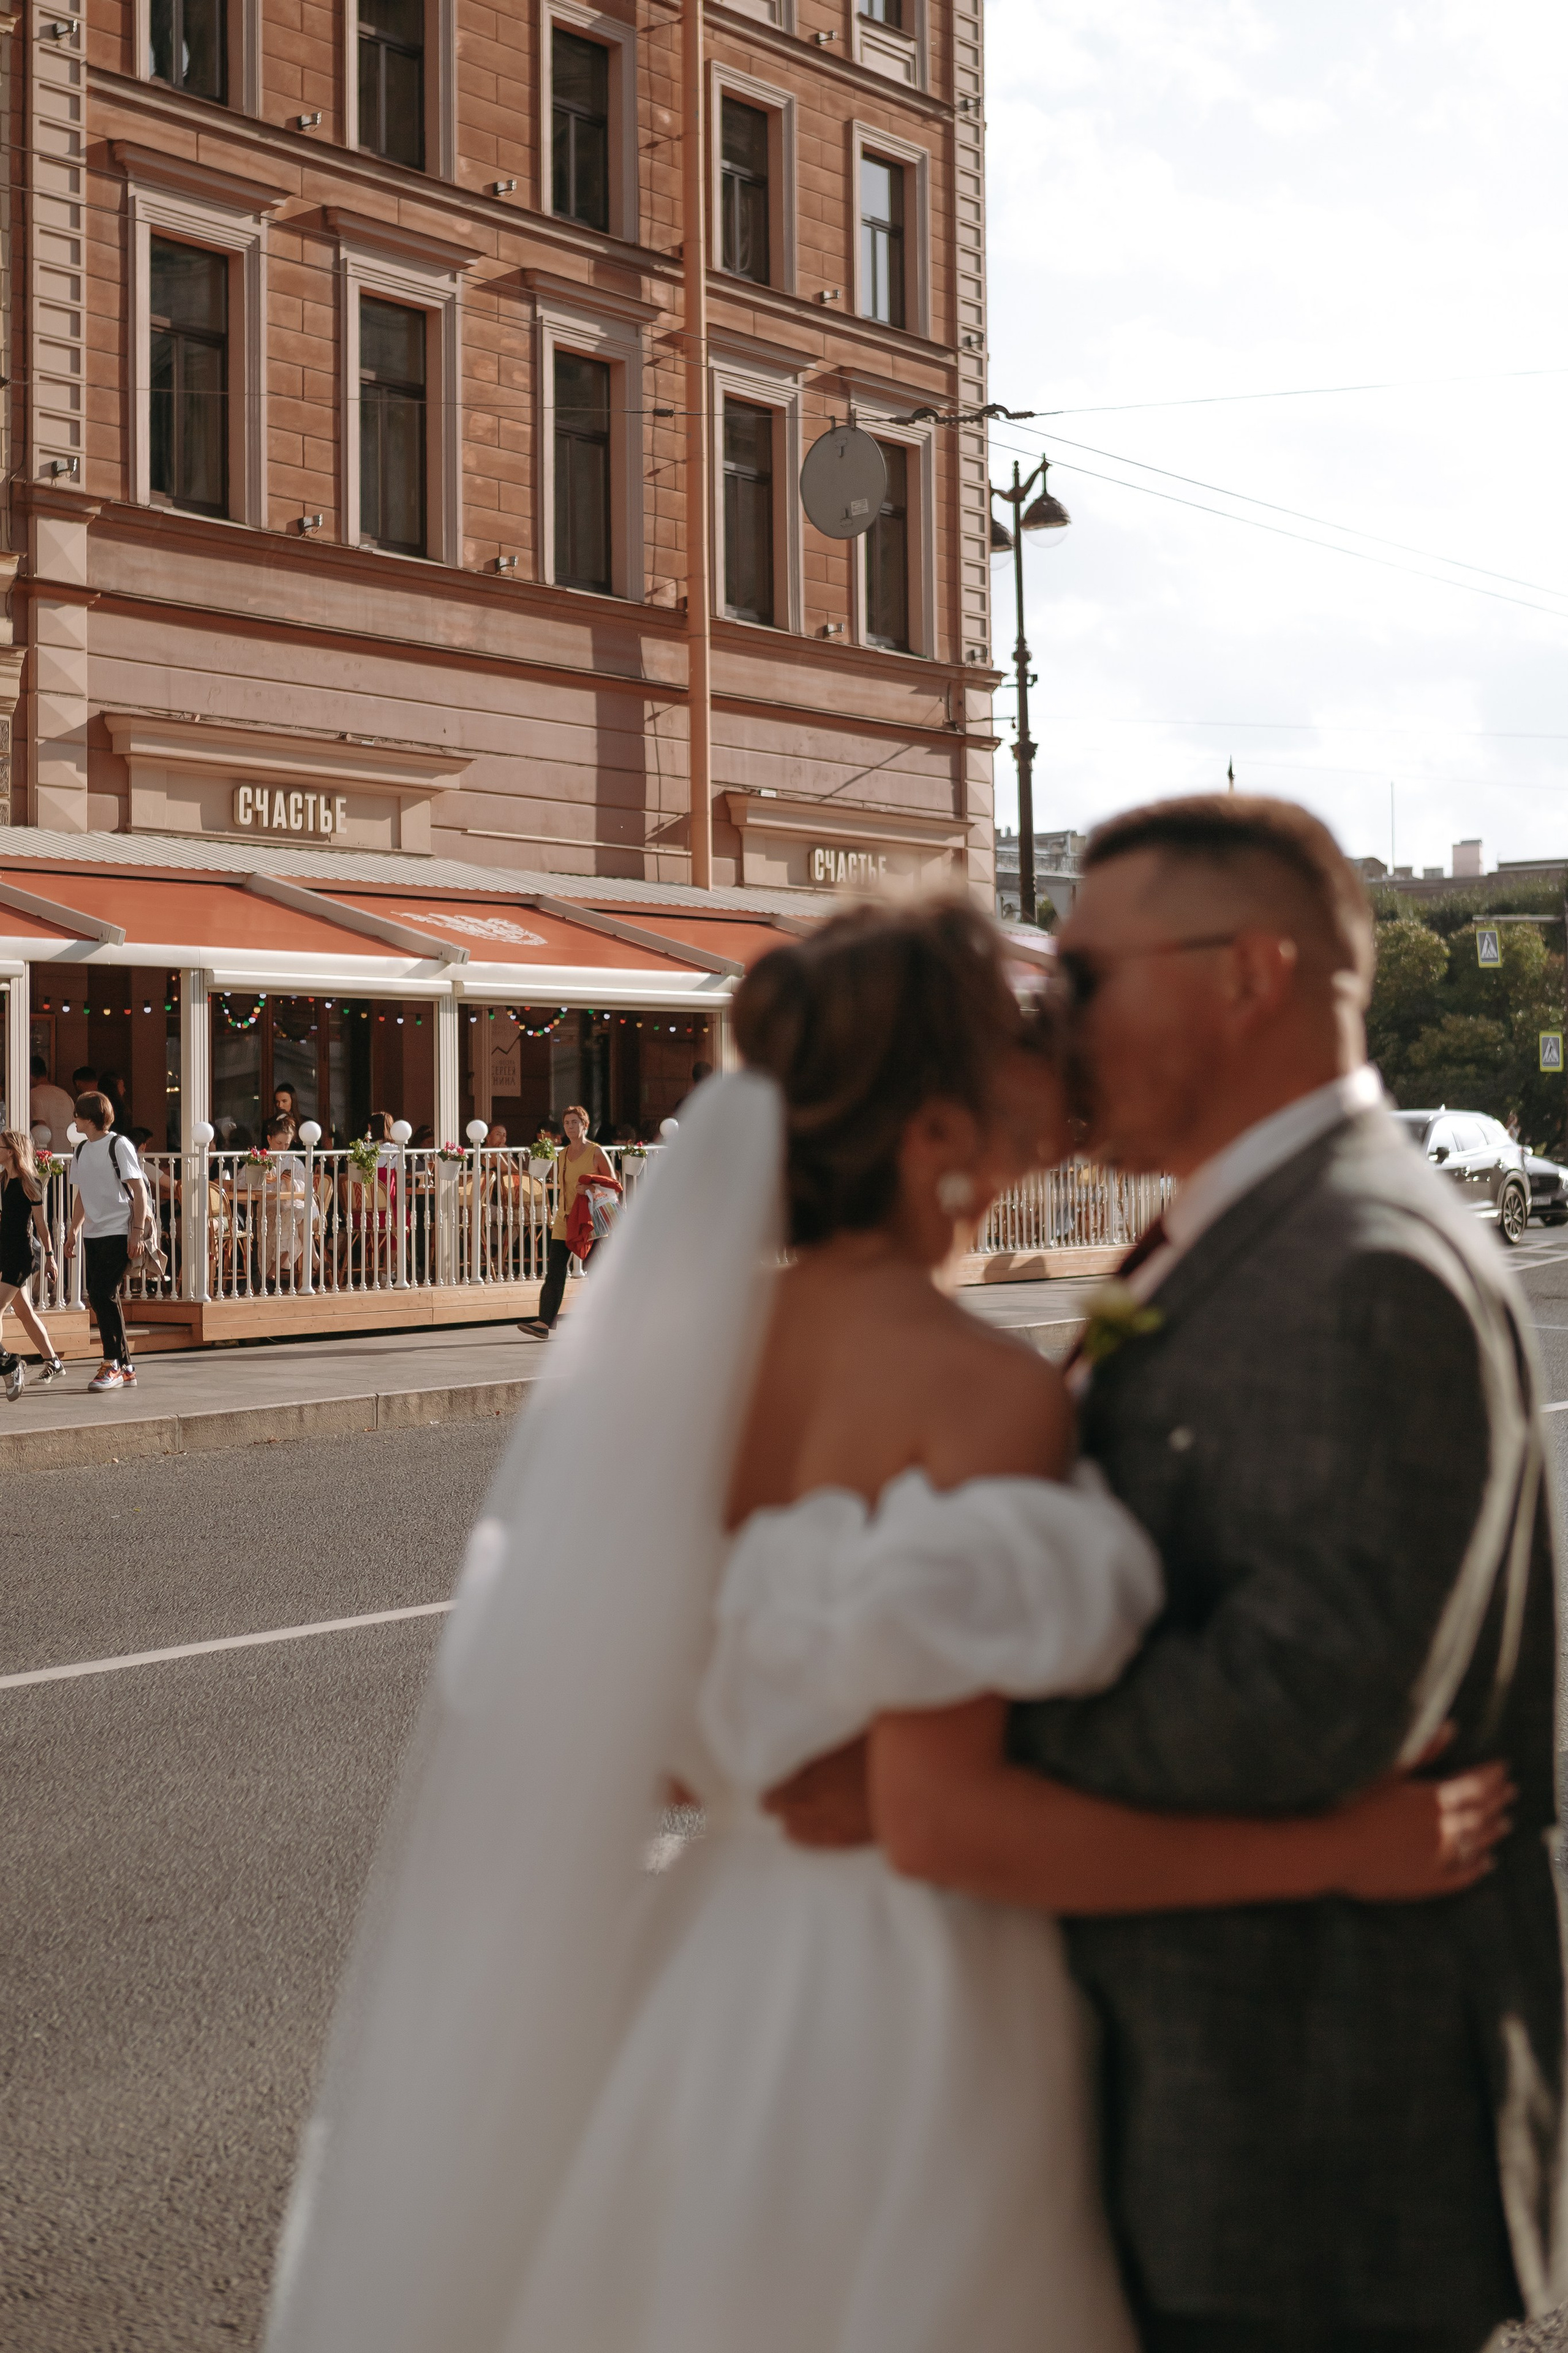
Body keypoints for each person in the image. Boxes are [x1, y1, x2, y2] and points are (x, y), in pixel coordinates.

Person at [262, 902, 1508, 2353]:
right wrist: (1335, 1847)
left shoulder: (675, 1363)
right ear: (933, 1131)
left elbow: (648, 1739)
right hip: (908, 2002)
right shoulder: (975, 1389)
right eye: (1026, 1047)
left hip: (711, 1957)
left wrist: (790, 1749)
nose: (1063, 1072)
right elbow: (940, 1825)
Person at [775, 802, 1563, 2353]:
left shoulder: (1367, 1264)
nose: (1053, 1021)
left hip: (1304, 2146)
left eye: (1083, 973)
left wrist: (937, 1759)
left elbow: (1304, 1700)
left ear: (1248, 974)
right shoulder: (1226, 1232)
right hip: (1206, 2118)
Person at [67, 1090, 153, 1393]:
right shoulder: (81, 1151)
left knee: (102, 1294)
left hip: (118, 1230)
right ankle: (126, 1367)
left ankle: (111, 1363)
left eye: (76, 1115)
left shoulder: (118, 1145)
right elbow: (82, 1194)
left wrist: (137, 1232)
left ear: (89, 1118)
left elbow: (139, 1189)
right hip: (93, 1233)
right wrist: (73, 1230)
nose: (73, 1119)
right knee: (105, 1296)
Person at [517, 1103, 614, 1337]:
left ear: (585, 1125)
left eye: (575, 1123)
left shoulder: (596, 1152)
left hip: (590, 1221)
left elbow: (613, 1183)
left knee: (596, 1270)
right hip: (565, 1218)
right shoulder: (561, 1155)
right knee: (555, 1271)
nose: (571, 1127)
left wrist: (590, 1189)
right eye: (568, 1123)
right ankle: (544, 1323)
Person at [0, 1130, 65, 1397]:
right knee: (25, 1312)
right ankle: (53, 1361)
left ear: (12, 1150)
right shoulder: (2, 1179)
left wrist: (50, 1258)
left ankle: (9, 1364)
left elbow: (42, 1226)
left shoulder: (30, 1182)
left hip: (20, 1255)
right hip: (4, 1252)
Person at [28, 1056, 75, 1149]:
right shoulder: (65, 1095)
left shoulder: (34, 1094)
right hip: (67, 1156)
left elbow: (40, 1125)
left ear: (30, 1076)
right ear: (46, 1074)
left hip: (46, 1157)